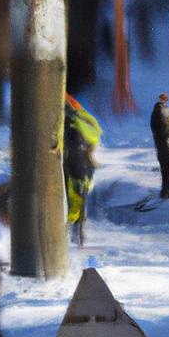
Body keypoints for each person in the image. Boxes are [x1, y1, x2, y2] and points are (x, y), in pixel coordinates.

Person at [63, 93, 102, 246]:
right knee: (76, 203)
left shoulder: (75, 123)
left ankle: (74, 235)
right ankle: (75, 234)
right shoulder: (80, 120)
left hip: (78, 168)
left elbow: (93, 135)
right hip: (80, 167)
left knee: (75, 201)